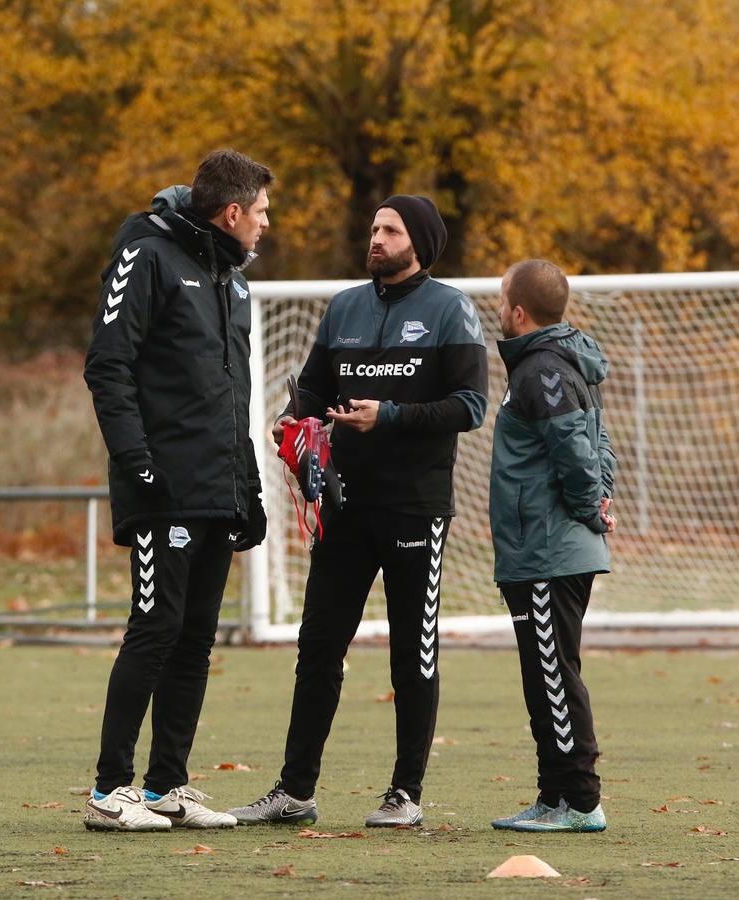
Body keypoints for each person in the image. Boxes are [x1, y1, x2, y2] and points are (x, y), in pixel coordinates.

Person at [227, 195, 488, 828]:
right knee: (318, 644)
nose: (376, 238)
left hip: (414, 507)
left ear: (418, 244)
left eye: (390, 230)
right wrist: (293, 419)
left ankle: (405, 793)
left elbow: (471, 406)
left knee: (411, 650)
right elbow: (314, 388)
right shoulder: (344, 306)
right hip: (343, 506)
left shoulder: (451, 309)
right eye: (373, 228)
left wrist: (389, 415)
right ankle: (295, 791)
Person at [81, 149, 273, 832]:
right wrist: (137, 463)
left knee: (196, 639)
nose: (265, 225)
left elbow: (232, 396)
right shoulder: (147, 255)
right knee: (156, 628)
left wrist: (248, 486)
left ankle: (167, 787)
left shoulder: (234, 281)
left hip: (217, 488)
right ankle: (110, 790)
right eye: (260, 212)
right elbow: (108, 367)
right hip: (162, 487)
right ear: (230, 212)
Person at [487, 258, 616, 833]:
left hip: (547, 551)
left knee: (554, 675)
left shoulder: (541, 368)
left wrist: (592, 507)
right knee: (546, 674)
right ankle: (553, 796)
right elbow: (601, 443)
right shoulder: (562, 362)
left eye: (500, 298)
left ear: (518, 311)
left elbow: (576, 451)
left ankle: (580, 801)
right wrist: (600, 498)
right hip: (541, 549)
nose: (496, 307)